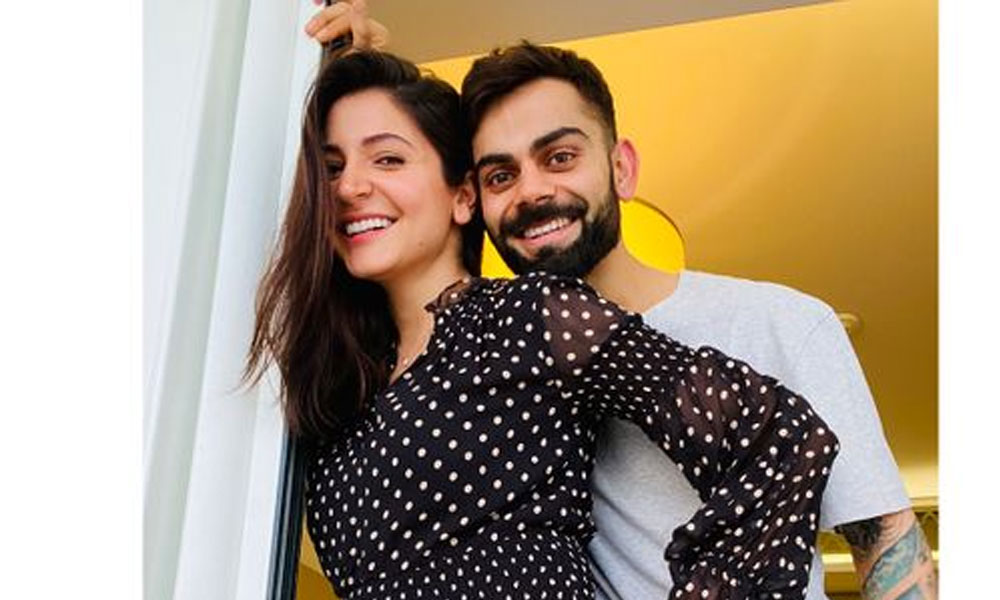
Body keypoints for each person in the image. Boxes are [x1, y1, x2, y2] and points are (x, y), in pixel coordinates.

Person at [245, 49, 838, 600]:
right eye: (332, 167)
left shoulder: (528, 317)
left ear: (464, 196)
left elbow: (780, 441)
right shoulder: (343, 384)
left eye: (387, 158)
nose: (348, 187)